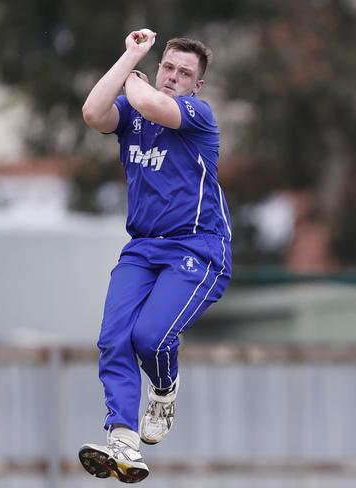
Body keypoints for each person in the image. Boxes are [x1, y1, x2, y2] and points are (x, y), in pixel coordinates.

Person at [78, 29, 232, 483]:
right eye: (168, 67)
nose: (173, 77)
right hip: (143, 247)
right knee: (113, 337)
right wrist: (129, 58)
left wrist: (135, 79)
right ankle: (122, 436)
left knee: (150, 337)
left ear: (196, 86)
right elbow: (91, 112)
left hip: (197, 247)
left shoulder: (196, 113)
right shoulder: (133, 104)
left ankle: (163, 389)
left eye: (185, 74)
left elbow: (150, 105)